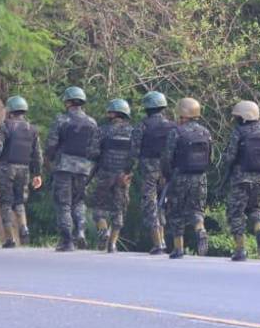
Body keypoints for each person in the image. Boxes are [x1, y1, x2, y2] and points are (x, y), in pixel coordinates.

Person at [221, 100, 260, 262]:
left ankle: (240, 250)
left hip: (241, 180)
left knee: (236, 213)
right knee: (256, 209)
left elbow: (230, 157)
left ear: (244, 117)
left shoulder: (238, 132)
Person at [45, 86, 98, 252]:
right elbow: (95, 149)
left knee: (64, 204)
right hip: (84, 168)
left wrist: (50, 159)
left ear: (67, 102)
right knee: (79, 201)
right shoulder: (92, 122)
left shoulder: (62, 120)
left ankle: (67, 240)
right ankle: (81, 231)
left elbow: (51, 144)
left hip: (64, 166)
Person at [162, 97, 212, 259]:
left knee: (177, 213)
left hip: (180, 177)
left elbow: (167, 158)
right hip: (200, 177)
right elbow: (210, 158)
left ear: (183, 114)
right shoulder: (205, 132)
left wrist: (167, 176)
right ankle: (200, 229)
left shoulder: (176, 132)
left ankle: (178, 248)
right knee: (197, 210)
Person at [0, 95, 43, 248]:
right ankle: (24, 227)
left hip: (7, 168)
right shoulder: (32, 129)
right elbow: (37, 154)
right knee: (19, 201)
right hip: (24, 170)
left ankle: (10, 238)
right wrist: (37, 174)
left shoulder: (4, 126)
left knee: (6, 202)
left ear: (10, 110)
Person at [91, 99, 135, 253]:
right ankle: (112, 244)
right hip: (123, 176)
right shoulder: (132, 132)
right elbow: (135, 155)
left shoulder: (102, 130)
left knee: (98, 207)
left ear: (113, 113)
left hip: (105, 174)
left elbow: (94, 152)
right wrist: (128, 172)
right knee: (119, 210)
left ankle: (103, 230)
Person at [133, 91, 175, 254]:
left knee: (150, 205)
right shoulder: (172, 126)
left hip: (149, 171)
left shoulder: (142, 125)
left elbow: (135, 150)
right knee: (162, 205)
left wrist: (128, 170)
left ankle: (158, 243)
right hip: (167, 172)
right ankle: (162, 240)